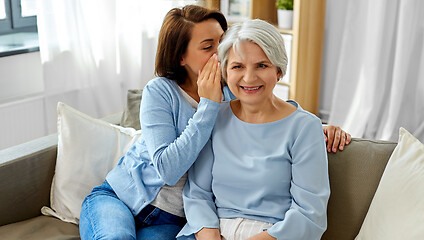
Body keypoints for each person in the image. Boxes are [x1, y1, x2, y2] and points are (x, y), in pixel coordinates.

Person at [79, 5, 348, 240]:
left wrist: (316, 127)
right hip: (122, 198)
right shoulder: (162, 92)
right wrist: (208, 106)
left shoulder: (231, 89)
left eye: (223, 41)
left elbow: (264, 107)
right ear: (181, 57)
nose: (222, 52)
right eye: (209, 47)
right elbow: (168, 170)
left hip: (173, 218)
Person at [177, 19, 330, 240]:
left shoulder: (305, 127)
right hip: (210, 231)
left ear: (278, 70)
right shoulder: (214, 117)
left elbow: (309, 214)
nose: (249, 78)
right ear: (225, 72)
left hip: (272, 234)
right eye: (238, 66)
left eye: (262, 65)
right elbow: (197, 194)